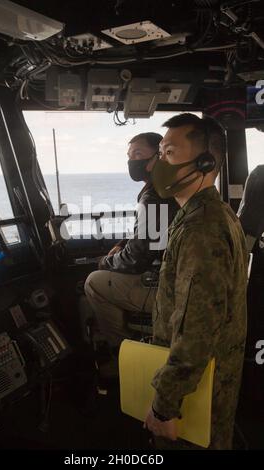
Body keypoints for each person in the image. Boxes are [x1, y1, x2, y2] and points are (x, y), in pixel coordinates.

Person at [144, 113, 248, 450]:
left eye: (169, 153)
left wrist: (165, 405)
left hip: (198, 390)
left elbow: (197, 329)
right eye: (159, 154)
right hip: (208, 378)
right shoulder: (209, 214)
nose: (158, 164)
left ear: (204, 163)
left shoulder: (201, 229)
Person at [84, 132, 178, 350]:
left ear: (158, 157)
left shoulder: (153, 197)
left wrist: (105, 262)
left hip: (164, 288)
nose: (131, 161)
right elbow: (151, 233)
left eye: (138, 154)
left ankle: (123, 350)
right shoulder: (164, 190)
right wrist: (124, 243)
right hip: (166, 275)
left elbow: (136, 260)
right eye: (129, 155)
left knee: (94, 282)